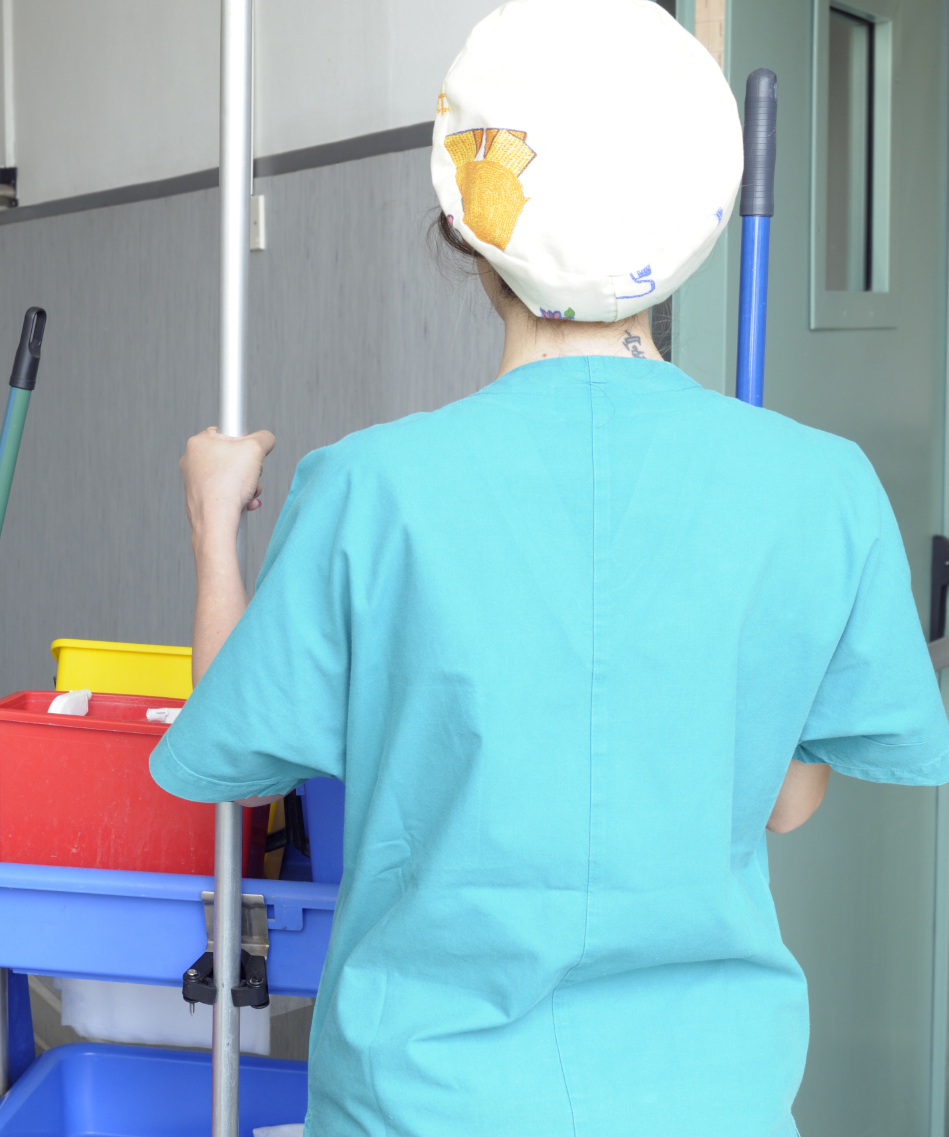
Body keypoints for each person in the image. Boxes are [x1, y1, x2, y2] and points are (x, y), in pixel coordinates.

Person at [148, 1, 949, 1134]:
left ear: (466, 224)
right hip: (706, 1102)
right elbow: (786, 801)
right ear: (695, 224)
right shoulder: (819, 486)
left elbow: (239, 766)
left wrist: (212, 528)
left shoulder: (372, 487)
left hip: (425, 1100)